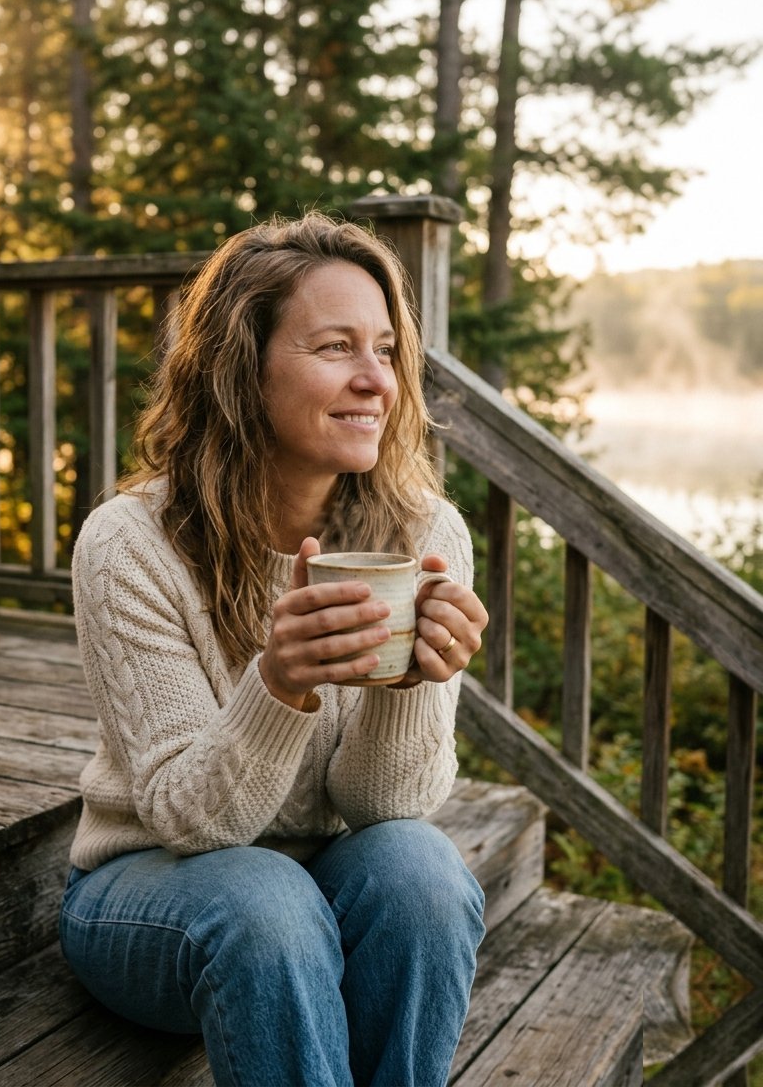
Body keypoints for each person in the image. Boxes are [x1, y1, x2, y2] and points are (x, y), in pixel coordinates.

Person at [59, 211, 489, 1087]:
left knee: (423, 872)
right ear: (239, 371)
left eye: (386, 351)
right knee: (265, 901)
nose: (378, 381)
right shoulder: (131, 543)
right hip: (154, 890)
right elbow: (189, 819)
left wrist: (411, 679)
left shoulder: (425, 529)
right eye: (336, 348)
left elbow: (385, 804)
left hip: (331, 874)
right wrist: (279, 684)